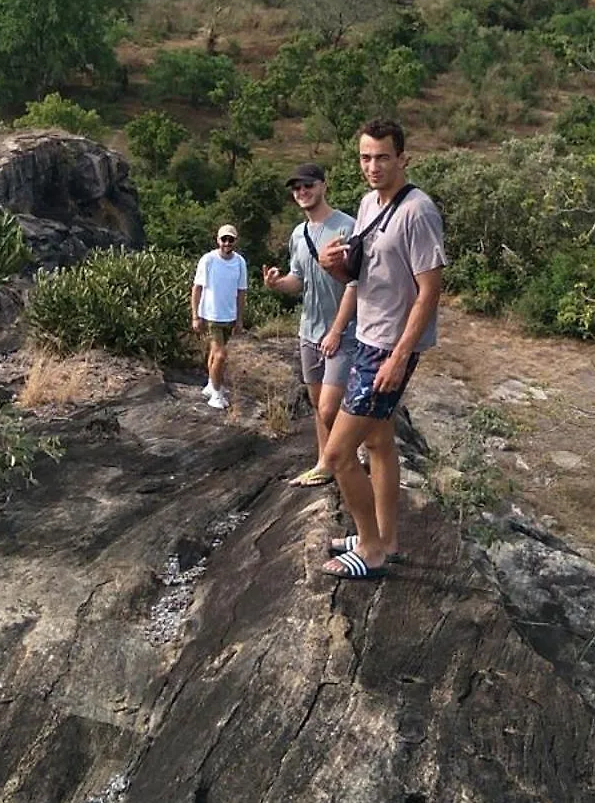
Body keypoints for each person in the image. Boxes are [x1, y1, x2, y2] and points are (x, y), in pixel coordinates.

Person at [316, 119, 446, 580]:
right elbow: (361, 276)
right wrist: (331, 265)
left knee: (335, 456)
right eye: (365, 157)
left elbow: (429, 291)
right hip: (367, 336)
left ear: (403, 158)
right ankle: (385, 535)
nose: (372, 166)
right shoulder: (369, 203)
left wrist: (399, 357)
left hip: (388, 348)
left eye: (382, 157)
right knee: (379, 440)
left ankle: (370, 549)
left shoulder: (418, 211)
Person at [262, 162, 358, 488]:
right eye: (297, 188)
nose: (302, 192)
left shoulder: (347, 227)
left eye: (308, 185)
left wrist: (336, 331)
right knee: (318, 405)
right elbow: (298, 281)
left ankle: (350, 456)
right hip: (309, 331)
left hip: (343, 333)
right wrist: (277, 284)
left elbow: (356, 285)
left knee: (332, 407)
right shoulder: (298, 235)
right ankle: (324, 463)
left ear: (323, 185)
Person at [191, 224, 248, 410]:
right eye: (224, 239)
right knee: (220, 355)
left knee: (215, 354)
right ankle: (216, 394)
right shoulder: (208, 260)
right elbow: (197, 288)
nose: (227, 243)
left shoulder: (240, 262)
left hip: (229, 315)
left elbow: (241, 292)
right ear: (218, 240)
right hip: (212, 315)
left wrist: (239, 319)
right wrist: (195, 316)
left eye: (230, 239)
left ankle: (211, 383)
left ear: (235, 241)